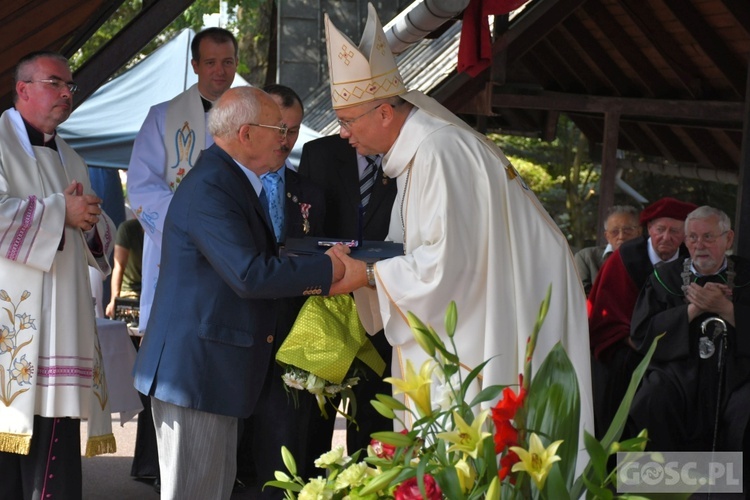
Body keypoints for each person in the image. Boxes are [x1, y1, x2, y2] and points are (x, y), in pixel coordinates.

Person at [324, 4, 594, 446]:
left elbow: (449, 265)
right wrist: (363, 264)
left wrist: (369, 274)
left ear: (385, 114)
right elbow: (414, 248)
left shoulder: (438, 152)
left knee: (478, 446)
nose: (342, 134)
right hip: (488, 300)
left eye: (347, 121)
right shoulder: (418, 153)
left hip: (503, 309)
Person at [132, 86, 344, 500]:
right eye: (278, 129)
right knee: (195, 491)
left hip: (210, 367)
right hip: (195, 371)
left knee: (212, 487)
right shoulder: (214, 185)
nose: (285, 139)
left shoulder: (232, 179)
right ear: (246, 134)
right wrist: (331, 269)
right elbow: (249, 273)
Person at [0, 51, 116, 499]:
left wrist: (88, 220)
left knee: (53, 447)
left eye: (70, 86)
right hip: (14, 330)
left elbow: (98, 230)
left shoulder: (71, 156)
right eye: (55, 83)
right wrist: (56, 211)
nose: (66, 93)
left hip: (60, 327)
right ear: (23, 89)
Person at [234, 83, 327, 491]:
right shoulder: (230, 186)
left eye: (294, 130)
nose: (286, 140)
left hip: (292, 335)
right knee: (231, 449)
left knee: (284, 445)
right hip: (238, 332)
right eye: (279, 129)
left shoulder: (310, 192)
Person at [126, 27, 238, 339]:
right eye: (211, 62)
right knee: (176, 338)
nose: (219, 70)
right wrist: (188, 221)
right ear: (196, 66)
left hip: (233, 240)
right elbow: (141, 184)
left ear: (237, 64)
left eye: (227, 62)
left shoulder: (250, 118)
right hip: (174, 237)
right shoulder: (163, 117)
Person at [297, 134, 397, 470]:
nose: (348, 130)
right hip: (328, 301)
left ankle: (365, 482)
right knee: (316, 407)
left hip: (383, 298)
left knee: (374, 409)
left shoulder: (402, 154)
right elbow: (305, 224)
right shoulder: (320, 152)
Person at [629, 206, 750, 455]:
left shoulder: (747, 276)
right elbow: (642, 335)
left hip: (737, 376)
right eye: (693, 237)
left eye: (708, 236)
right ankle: (658, 489)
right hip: (676, 375)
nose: (699, 244)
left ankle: (733, 490)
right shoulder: (665, 278)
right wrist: (693, 309)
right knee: (651, 397)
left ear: (728, 238)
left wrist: (726, 308)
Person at [587, 197, 696, 437]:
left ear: (686, 234)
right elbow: (603, 317)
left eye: (675, 231)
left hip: (677, 349)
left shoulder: (693, 260)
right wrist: (637, 343)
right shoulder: (623, 259)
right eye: (660, 230)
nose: (666, 237)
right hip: (628, 348)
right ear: (648, 229)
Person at [574, 205, 640, 295]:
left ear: (639, 232)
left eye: (627, 230)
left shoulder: (648, 259)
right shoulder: (586, 258)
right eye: (614, 231)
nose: (621, 236)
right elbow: (580, 297)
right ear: (607, 236)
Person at [105, 217, 144, 322]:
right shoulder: (127, 229)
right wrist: (114, 300)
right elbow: (118, 266)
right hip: (129, 292)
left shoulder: (165, 230)